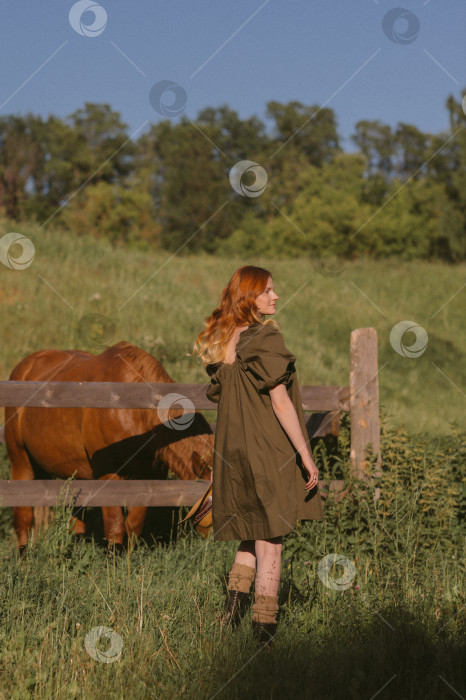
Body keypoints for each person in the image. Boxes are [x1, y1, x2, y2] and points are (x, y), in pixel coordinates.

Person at [193, 265, 324, 647]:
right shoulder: (264, 339)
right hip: (269, 452)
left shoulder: (225, 343)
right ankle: (264, 636)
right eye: (267, 291)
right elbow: (281, 403)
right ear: (249, 297)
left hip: (234, 455)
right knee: (272, 542)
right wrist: (305, 456)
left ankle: (227, 621)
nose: (275, 297)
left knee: (250, 535)